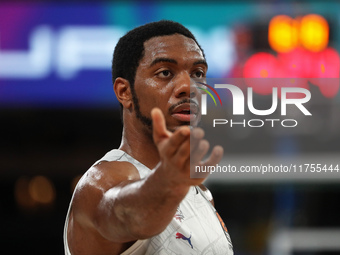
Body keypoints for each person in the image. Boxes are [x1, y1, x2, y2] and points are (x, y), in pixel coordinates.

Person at [64, 20, 233, 255]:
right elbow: (128, 214)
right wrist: (165, 182)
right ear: (125, 92)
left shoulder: (201, 193)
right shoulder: (102, 182)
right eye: (165, 72)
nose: (188, 86)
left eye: (198, 73)